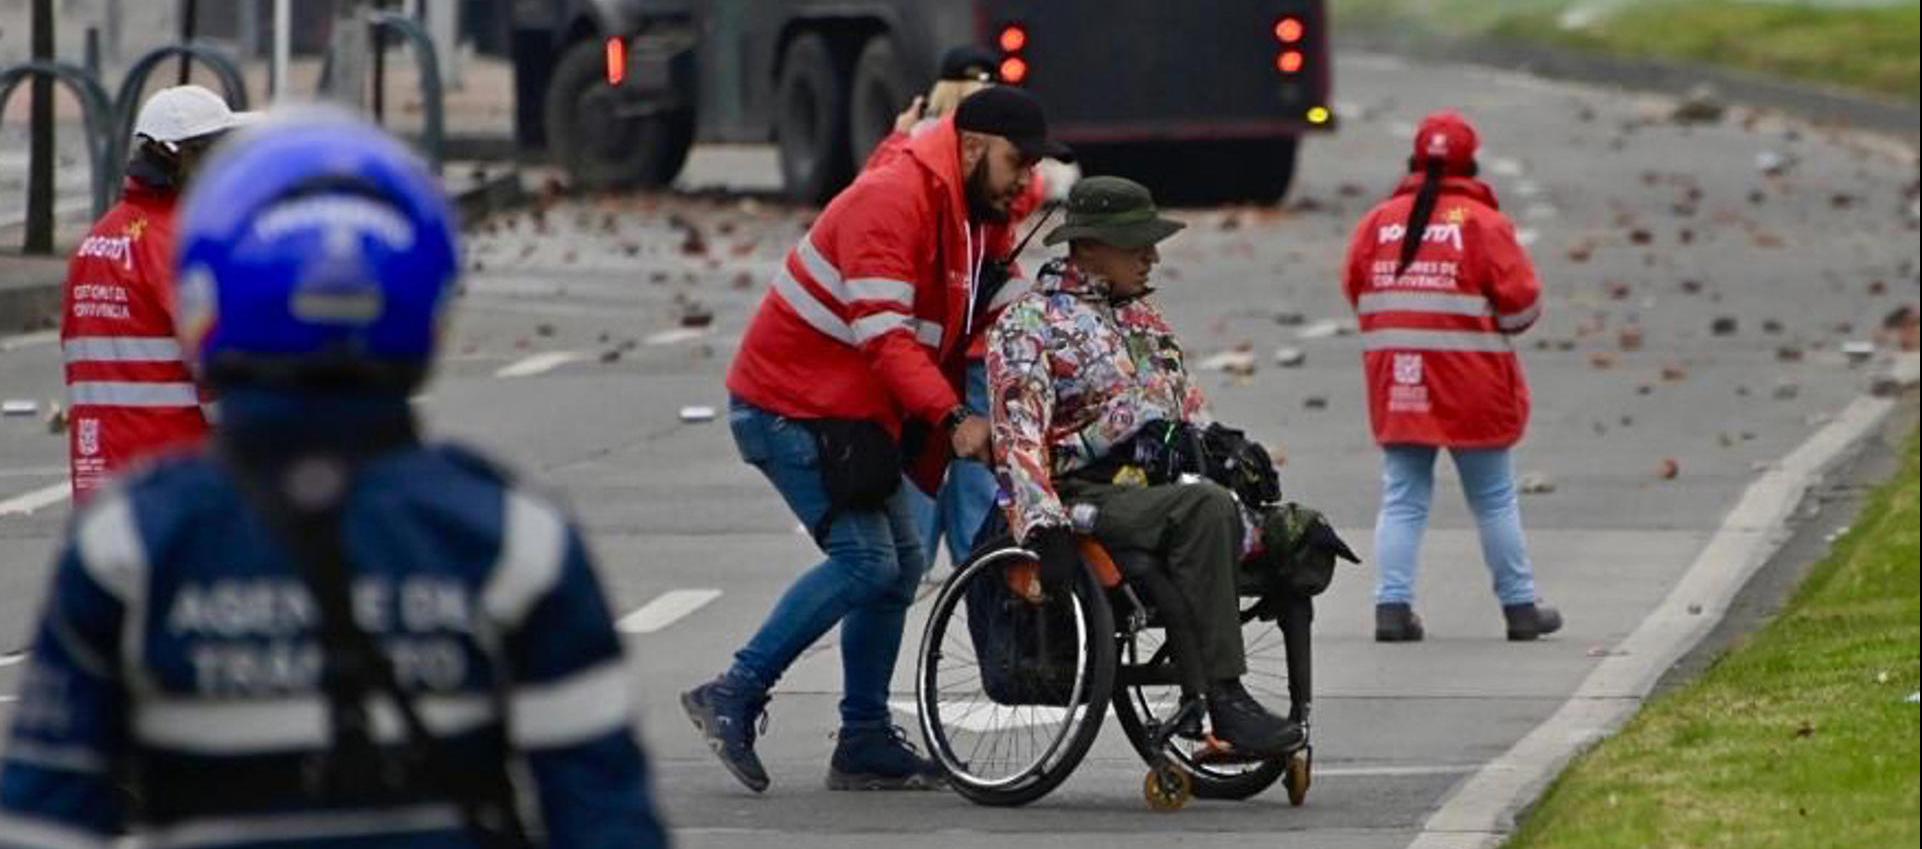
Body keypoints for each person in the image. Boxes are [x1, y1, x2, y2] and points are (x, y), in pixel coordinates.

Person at [0, 111, 668, 848]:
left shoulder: (128, 548)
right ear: (433, 309)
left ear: (206, 302)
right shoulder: (515, 538)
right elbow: (608, 820)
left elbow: (41, 822)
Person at [683, 86, 1069, 793]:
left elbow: (1006, 305)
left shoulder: (969, 217)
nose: (1026, 182)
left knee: (902, 562)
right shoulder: (892, 200)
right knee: (867, 561)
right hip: (788, 407)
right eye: (1018, 162)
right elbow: (885, 338)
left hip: (848, 417)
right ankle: (733, 690)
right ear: (972, 147)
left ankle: (862, 737)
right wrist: (955, 420)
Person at [987, 176, 1302, 757]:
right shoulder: (1030, 324)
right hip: (1080, 493)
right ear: (1088, 246)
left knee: (1293, 530)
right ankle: (1225, 698)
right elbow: (1018, 436)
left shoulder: (1143, 320)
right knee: (1205, 508)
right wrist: (1042, 525)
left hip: (1153, 491)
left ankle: (1272, 702)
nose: (1152, 255)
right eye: (1137, 243)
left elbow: (1187, 409)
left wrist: (1227, 448)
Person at [1341, 110, 1563, 643]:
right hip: (1472, 385)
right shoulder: (1483, 224)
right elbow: (1521, 307)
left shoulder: (1378, 222)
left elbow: (1356, 289)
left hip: (1399, 382)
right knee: (1493, 498)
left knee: (1403, 496)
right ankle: (1520, 609)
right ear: (1472, 164)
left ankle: (1391, 608)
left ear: (1413, 161)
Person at [866, 46, 1059, 573]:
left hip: (930, 353)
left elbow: (872, 181)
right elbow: (1025, 198)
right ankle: (978, 578)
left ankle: (916, 570)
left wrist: (900, 135)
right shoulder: (970, 161)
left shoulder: (916, 148)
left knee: (916, 494)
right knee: (978, 495)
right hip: (977, 351)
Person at [59, 85, 252, 501]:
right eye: (215, 154)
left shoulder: (96, 241)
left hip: (102, 483)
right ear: (178, 157)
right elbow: (218, 370)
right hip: (178, 483)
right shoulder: (181, 243)